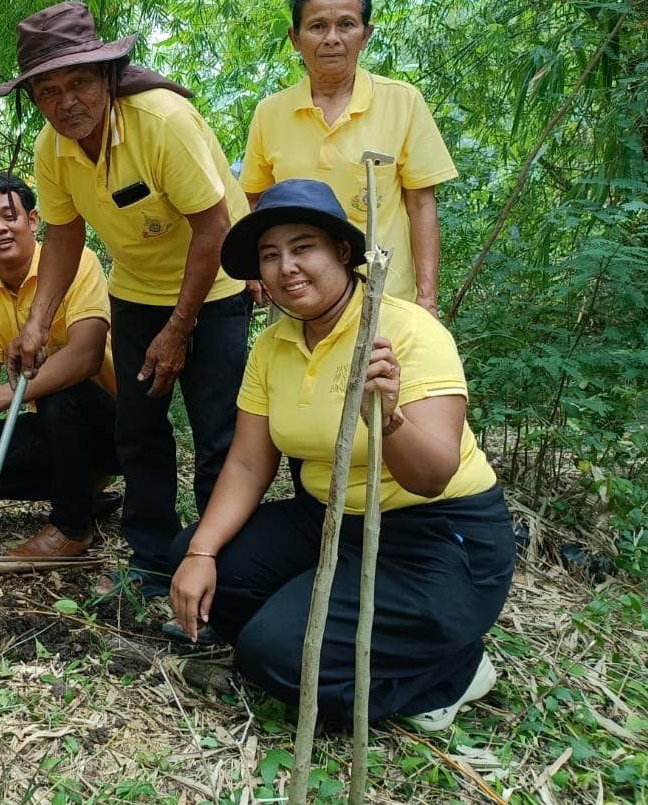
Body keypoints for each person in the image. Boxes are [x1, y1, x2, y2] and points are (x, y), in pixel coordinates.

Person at [168, 179, 515, 732]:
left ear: (343, 252)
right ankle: (317, 622)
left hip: (433, 535)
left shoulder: (406, 330)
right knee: (196, 554)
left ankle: (453, 669)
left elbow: (431, 476)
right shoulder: (272, 345)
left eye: (303, 247)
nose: (287, 268)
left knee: (276, 656)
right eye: (271, 255)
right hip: (328, 521)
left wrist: (388, 419)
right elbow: (248, 464)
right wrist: (202, 553)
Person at [1, 1, 251, 597]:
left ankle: (218, 562)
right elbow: (63, 235)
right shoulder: (52, 148)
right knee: (139, 427)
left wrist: (180, 328)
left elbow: (213, 229)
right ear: (34, 98)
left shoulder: (162, 122)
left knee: (217, 431)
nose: (67, 102)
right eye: (48, 90)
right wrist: (37, 322)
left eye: (80, 82)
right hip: (136, 291)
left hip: (214, 285)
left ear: (108, 77)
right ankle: (151, 558)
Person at [240, 0, 456, 315]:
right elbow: (253, 199)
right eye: (317, 26)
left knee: (385, 371)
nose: (332, 39)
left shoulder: (402, 102)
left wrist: (426, 299)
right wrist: (255, 272)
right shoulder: (271, 113)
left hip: (384, 299)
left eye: (346, 24)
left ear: (366, 34)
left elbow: (421, 204)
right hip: (299, 300)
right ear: (295, 38)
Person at [0, 172, 119, 558]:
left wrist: (0, 399)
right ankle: (83, 494)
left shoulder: (76, 262)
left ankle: (72, 527)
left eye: (9, 216)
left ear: (33, 221)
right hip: (53, 432)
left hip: (116, 426)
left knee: (58, 386)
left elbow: (85, 356)